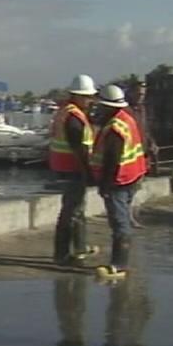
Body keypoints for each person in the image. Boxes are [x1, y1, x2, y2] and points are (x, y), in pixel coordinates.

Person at [89, 84, 149, 279]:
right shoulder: (126, 120)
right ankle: (119, 263)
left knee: (119, 223)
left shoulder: (115, 127)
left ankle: (118, 265)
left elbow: (112, 159)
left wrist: (105, 185)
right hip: (132, 176)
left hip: (119, 181)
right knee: (122, 221)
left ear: (107, 106)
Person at [49, 74, 98, 266]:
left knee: (76, 210)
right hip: (72, 168)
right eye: (87, 96)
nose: (90, 100)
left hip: (64, 166)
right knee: (71, 211)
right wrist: (90, 172)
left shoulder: (66, 112)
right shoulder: (74, 118)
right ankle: (62, 255)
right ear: (76, 96)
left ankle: (79, 248)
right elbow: (81, 150)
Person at [126, 76, 155, 229]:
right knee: (130, 187)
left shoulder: (142, 110)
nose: (140, 97)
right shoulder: (127, 111)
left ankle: (130, 214)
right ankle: (128, 217)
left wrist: (151, 143)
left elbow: (145, 129)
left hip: (143, 153)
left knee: (137, 186)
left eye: (143, 94)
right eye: (138, 93)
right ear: (131, 93)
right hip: (131, 155)